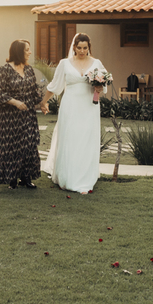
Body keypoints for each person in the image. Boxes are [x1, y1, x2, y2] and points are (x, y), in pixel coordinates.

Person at [39, 33, 106, 193]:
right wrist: (44, 101)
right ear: (74, 47)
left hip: (89, 106)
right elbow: (55, 86)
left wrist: (99, 88)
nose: (82, 51)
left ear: (89, 47)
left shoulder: (97, 63)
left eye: (85, 48)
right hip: (70, 106)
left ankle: (85, 178)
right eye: (79, 48)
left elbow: (103, 87)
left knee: (86, 140)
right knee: (70, 139)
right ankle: (66, 176)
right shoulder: (64, 63)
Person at [0, 39, 44, 189]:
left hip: (27, 116)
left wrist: (43, 103)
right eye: (26, 50)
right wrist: (15, 102)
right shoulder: (4, 70)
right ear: (18, 52)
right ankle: (11, 180)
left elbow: (34, 92)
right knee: (11, 147)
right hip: (9, 119)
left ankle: (26, 178)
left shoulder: (29, 70)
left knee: (28, 145)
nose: (30, 52)